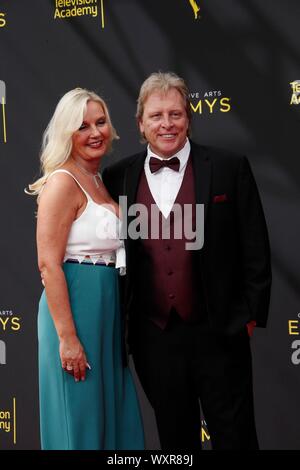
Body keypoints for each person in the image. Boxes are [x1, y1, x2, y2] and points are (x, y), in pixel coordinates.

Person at [102, 72, 272, 450]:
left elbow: (255, 246)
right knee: (176, 442)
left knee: (236, 437)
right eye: (157, 115)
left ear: (189, 118)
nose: (167, 124)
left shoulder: (228, 166)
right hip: (154, 338)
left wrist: (247, 316)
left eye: (176, 114)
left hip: (220, 332)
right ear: (140, 124)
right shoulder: (118, 177)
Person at [27, 88, 144, 450]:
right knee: (80, 421)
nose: (95, 132)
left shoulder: (101, 180)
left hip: (107, 309)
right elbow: (48, 264)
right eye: (82, 126)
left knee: (112, 419)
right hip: (76, 309)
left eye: (101, 122)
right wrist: (67, 338)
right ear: (67, 133)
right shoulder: (63, 182)